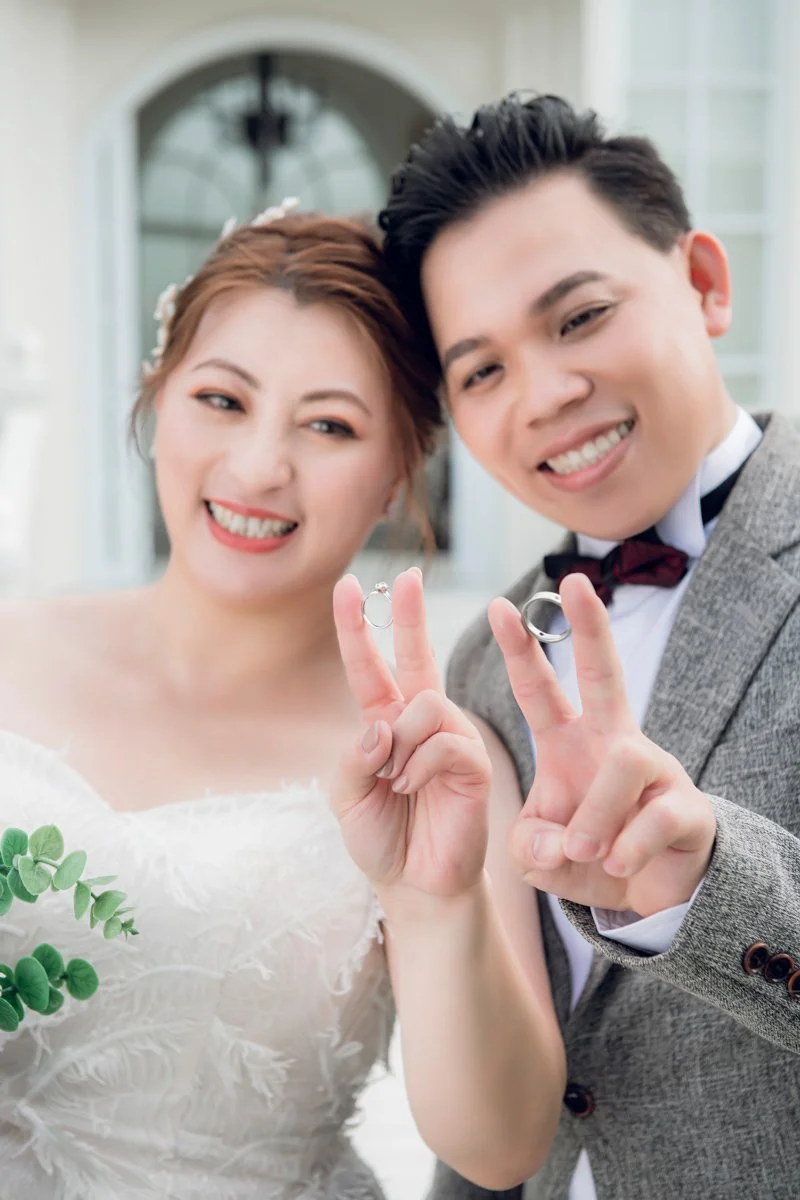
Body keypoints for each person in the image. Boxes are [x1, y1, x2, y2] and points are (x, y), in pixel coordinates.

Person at [0, 204, 565, 1199]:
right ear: (158, 398)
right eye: (222, 400)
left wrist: (434, 904)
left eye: (329, 425)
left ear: (398, 472)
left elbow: (499, 1146)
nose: (260, 467)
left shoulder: (436, 763)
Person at [378, 93, 800, 1199]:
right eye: (481, 372)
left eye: (578, 318)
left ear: (702, 282)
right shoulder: (483, 663)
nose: (546, 396)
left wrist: (708, 887)